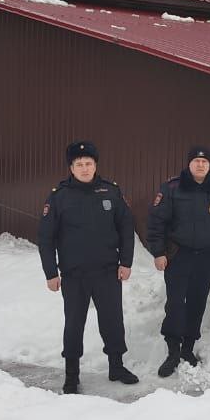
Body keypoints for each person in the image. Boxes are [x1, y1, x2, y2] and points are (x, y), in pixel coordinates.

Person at [38, 140, 139, 394]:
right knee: (74, 324)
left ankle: (116, 366)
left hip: (107, 271)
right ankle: (72, 375)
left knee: (113, 321)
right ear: (71, 168)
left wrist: (126, 262)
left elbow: (127, 229)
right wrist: (51, 273)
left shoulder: (111, 192)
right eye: (79, 164)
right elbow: (46, 238)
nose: (85, 168)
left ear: (96, 166)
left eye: (89, 164)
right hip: (74, 274)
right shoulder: (59, 197)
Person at [146, 146, 210, 377]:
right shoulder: (173, 188)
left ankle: (188, 348)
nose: (200, 165)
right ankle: (173, 351)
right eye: (196, 161)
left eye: (204, 162)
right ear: (189, 164)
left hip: (206, 257)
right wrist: (159, 253)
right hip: (178, 255)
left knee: (197, 303)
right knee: (176, 303)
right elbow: (157, 223)